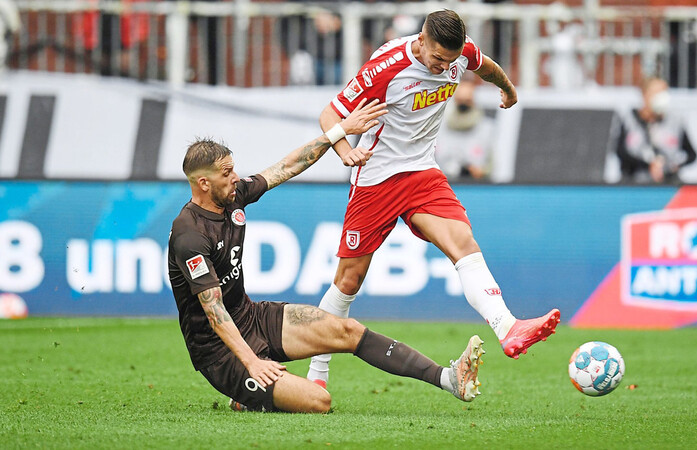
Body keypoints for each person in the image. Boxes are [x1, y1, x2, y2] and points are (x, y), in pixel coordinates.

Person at [167, 99, 485, 413]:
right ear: (204, 183)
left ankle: (448, 378)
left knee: (348, 331)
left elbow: (286, 166)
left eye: (234, 168)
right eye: (227, 173)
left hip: (253, 318)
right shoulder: (190, 234)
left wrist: (338, 132)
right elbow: (214, 312)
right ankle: (247, 396)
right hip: (219, 350)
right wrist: (251, 362)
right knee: (319, 402)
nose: (235, 177)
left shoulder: (233, 196)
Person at [307, 9, 561, 388]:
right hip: (376, 178)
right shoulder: (387, 66)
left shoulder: (459, 54)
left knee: (463, 243)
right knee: (349, 281)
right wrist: (344, 149)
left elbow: (485, 66)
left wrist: (506, 88)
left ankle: (507, 327)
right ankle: (317, 375)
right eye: (438, 59)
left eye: (451, 60)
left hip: (423, 172)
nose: (444, 68)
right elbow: (330, 114)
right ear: (422, 40)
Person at [609, 76, 697, 184]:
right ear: (645, 95)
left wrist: (673, 165)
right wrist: (648, 165)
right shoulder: (628, 119)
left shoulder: (675, 122)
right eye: (657, 93)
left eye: (664, 92)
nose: (662, 97)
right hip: (634, 184)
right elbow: (621, 152)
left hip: (667, 184)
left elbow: (691, 155)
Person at [435, 77, 494, 181]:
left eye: (467, 100)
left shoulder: (487, 129)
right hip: (443, 185)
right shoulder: (438, 128)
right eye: (460, 100)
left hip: (475, 188)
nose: (463, 104)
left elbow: (494, 167)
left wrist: (481, 171)